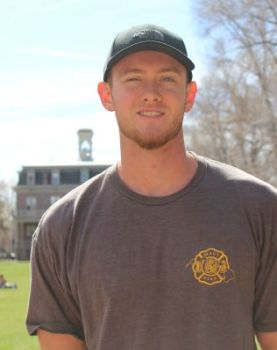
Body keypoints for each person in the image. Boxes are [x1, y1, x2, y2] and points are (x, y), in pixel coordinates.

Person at [26, 24, 277, 350]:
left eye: (168, 78)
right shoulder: (61, 228)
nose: (151, 92)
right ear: (106, 95)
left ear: (190, 94)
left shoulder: (260, 209)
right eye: (133, 79)